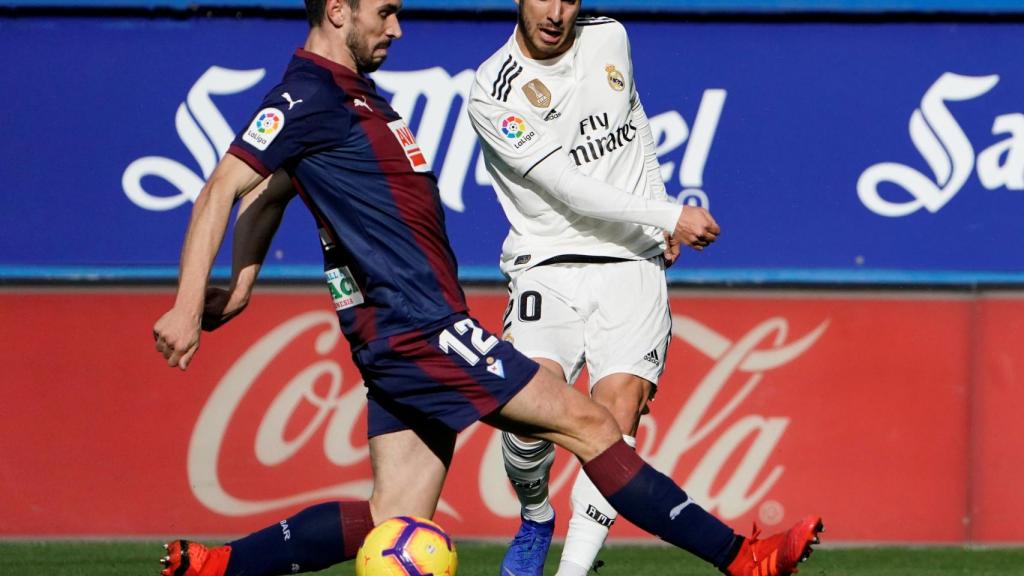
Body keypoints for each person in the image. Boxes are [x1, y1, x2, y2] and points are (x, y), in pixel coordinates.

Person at [152, 1, 823, 576]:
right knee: (590, 423)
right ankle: (743, 557)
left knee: (393, 513)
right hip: (419, 326)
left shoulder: (351, 94)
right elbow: (224, 188)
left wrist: (239, 289)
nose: (398, 28)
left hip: (400, 333)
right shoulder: (308, 95)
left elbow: (270, 192)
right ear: (337, 11)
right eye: (385, 11)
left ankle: (221, 565)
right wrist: (189, 305)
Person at [466, 2, 715, 574]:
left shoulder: (611, 37)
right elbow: (568, 187)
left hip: (631, 260)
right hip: (547, 262)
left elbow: (634, 123)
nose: (556, 13)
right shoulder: (493, 88)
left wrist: (653, 216)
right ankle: (534, 514)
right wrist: (666, 211)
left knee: (617, 415)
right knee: (530, 413)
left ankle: (574, 570)